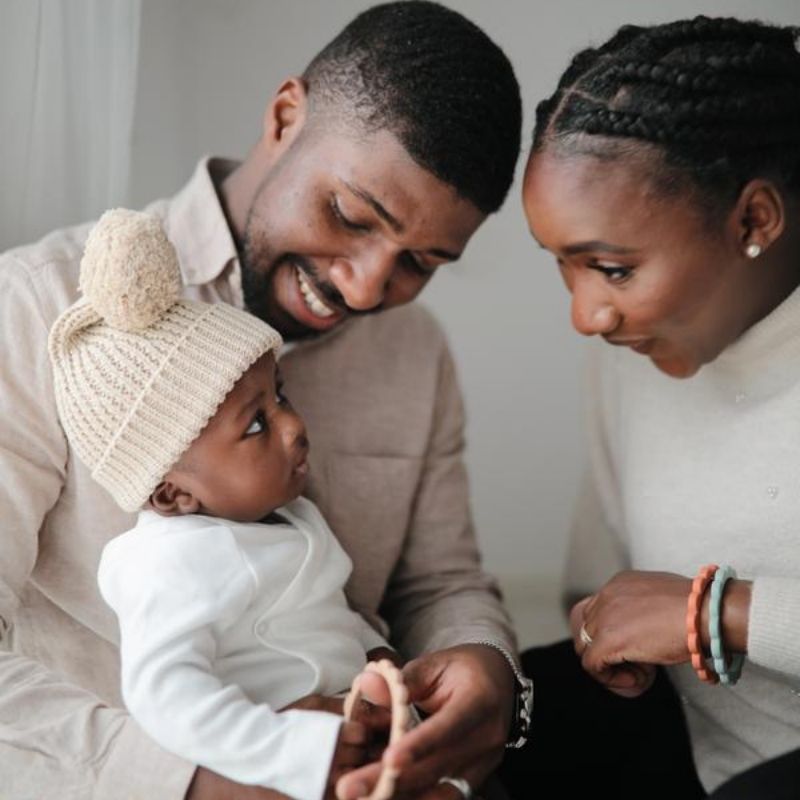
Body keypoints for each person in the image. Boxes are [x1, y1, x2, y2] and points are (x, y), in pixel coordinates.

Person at [0, 3, 528, 799]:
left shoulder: (414, 354)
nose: (366, 285)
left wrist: (490, 669)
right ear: (286, 117)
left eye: (420, 261)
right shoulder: (38, 312)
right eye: (349, 215)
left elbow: (438, 584)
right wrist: (195, 782)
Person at [502, 14, 800, 800]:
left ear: (754, 220)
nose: (585, 315)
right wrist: (606, 634)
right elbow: (599, 587)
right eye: (565, 268)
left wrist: (720, 613)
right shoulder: (634, 354)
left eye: (611, 269)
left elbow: (689, 612)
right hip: (698, 754)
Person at [50, 208, 394, 800]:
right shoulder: (171, 561)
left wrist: (378, 655)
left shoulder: (285, 515)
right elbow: (166, 694)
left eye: (279, 396)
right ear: (173, 492)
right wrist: (289, 746)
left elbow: (324, 615)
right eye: (256, 425)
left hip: (353, 728)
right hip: (274, 766)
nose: (293, 427)